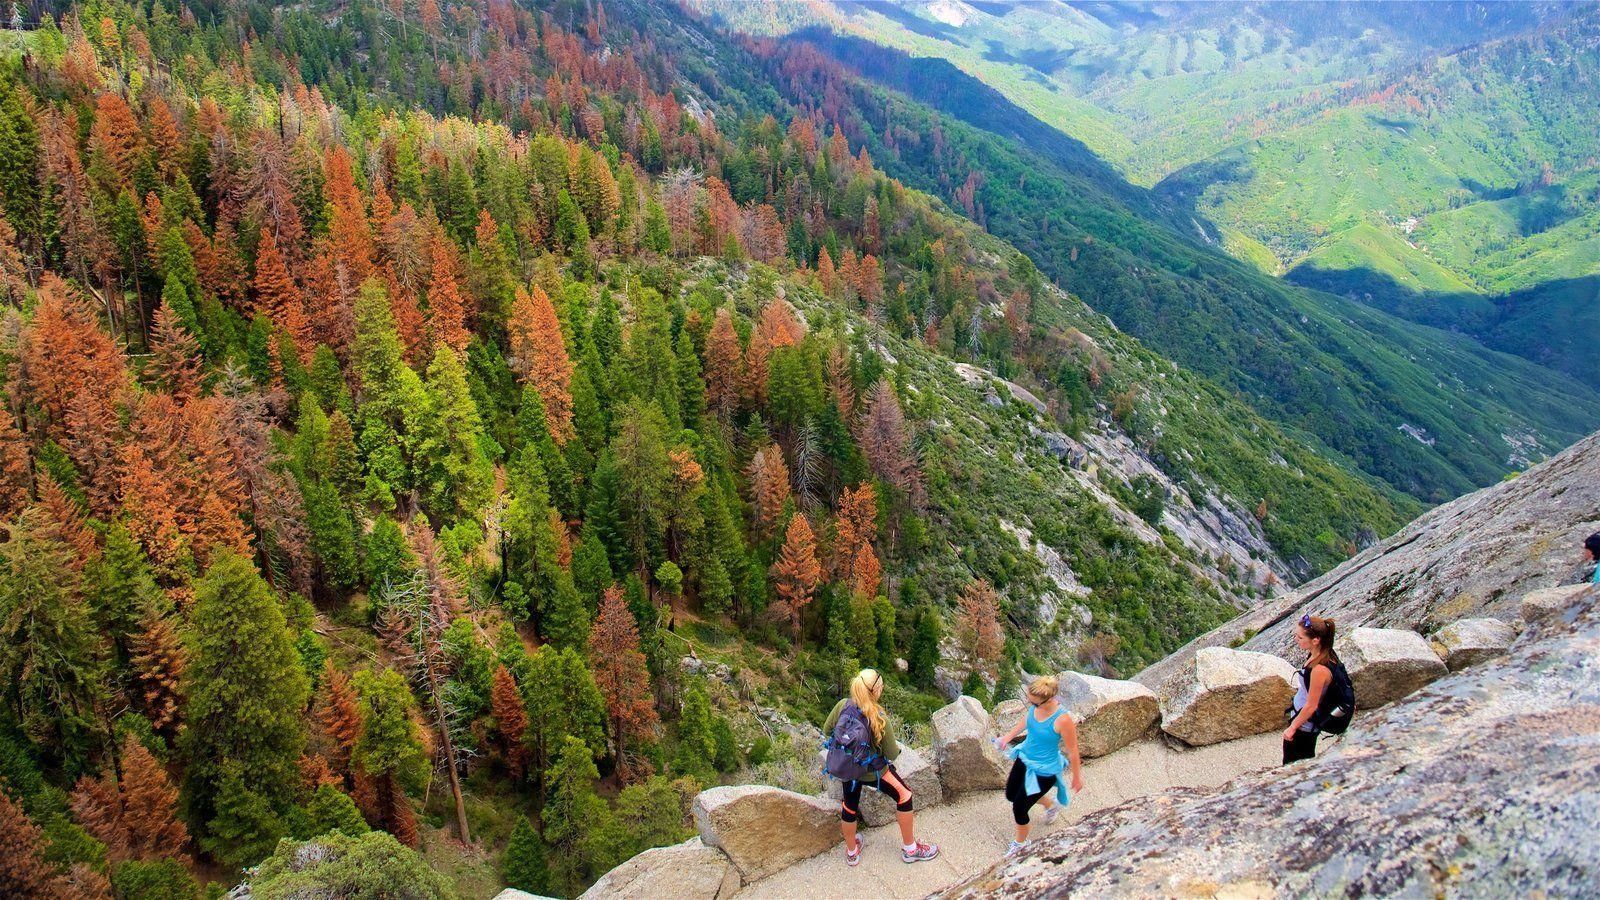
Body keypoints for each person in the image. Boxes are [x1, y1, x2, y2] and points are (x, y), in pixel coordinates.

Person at [824, 669, 939, 866]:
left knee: (849, 807)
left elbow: (827, 729)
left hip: (848, 770)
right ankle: (910, 849)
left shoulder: (843, 705)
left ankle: (852, 852)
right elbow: (892, 753)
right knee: (904, 796)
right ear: (875, 691)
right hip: (872, 773)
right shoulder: (879, 717)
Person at [992, 675, 1083, 856]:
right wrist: (1006, 738)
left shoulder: (1062, 720)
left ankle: (1021, 843)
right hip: (1025, 759)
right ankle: (1051, 805)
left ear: (1049, 699)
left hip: (1044, 771)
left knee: (1019, 807)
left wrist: (1076, 776)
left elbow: (1073, 750)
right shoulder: (1035, 708)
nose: (1031, 705)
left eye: (1034, 703)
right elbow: (1027, 721)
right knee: (1011, 794)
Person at [1283, 614, 1338, 764]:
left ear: (1315, 640)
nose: (1296, 639)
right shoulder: (1320, 654)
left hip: (1305, 726)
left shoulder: (1320, 669)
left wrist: (1292, 727)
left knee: (1294, 764)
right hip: (1302, 720)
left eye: (1300, 638)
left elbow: (1312, 705)